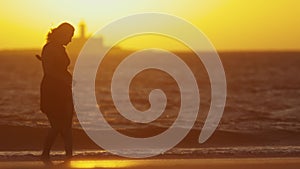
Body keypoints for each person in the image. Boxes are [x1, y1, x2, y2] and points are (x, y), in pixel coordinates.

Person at [39, 22, 75, 160]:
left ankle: (69, 156)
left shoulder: (60, 48)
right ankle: (45, 154)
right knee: (57, 125)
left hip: (64, 90)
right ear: (62, 34)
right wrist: (64, 78)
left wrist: (68, 79)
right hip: (51, 90)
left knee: (67, 125)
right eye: (70, 36)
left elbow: (60, 68)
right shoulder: (49, 48)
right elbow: (49, 71)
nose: (71, 39)